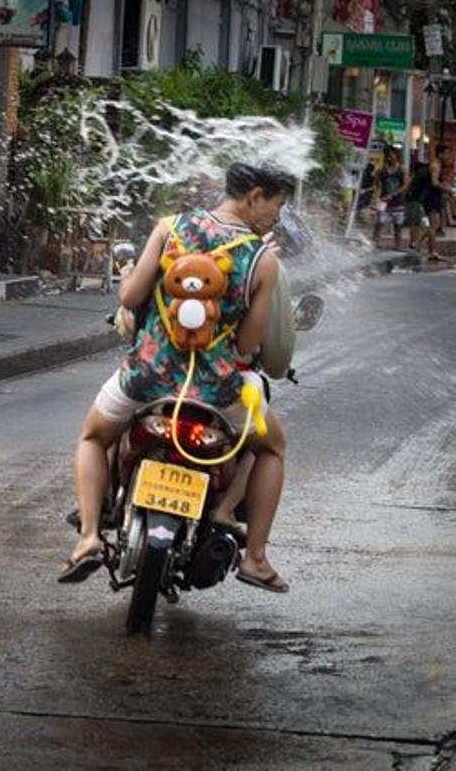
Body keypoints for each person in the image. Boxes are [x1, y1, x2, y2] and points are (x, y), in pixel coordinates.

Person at [60, 163, 293, 593]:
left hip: (146, 378)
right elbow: (246, 346)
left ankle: (89, 537)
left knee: (94, 437)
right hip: (218, 392)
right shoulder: (263, 262)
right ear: (255, 196)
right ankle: (256, 558)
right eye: (277, 205)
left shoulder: (170, 228)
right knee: (273, 447)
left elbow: (129, 298)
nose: (277, 217)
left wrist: (132, 278)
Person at [372, 147, 409, 248]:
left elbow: (405, 185)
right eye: (388, 155)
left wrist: (394, 194)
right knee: (379, 222)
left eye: (391, 155)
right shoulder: (381, 169)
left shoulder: (402, 169)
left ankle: (397, 245)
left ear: (396, 156)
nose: (389, 158)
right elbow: (376, 184)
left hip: (398, 201)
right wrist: (376, 197)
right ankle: (375, 242)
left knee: (398, 226)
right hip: (383, 200)